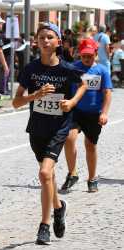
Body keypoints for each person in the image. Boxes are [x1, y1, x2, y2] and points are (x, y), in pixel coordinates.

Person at [12, 22, 87, 245]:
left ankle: (44, 226)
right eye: (41, 37)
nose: (45, 41)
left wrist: (71, 102)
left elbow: (82, 85)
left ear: (58, 42)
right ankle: (58, 207)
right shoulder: (30, 70)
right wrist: (35, 95)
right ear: (36, 41)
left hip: (59, 128)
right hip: (36, 129)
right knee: (49, 177)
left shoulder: (67, 69)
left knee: (45, 174)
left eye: (50, 37)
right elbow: (16, 102)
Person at [61, 38, 112, 193]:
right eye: (84, 56)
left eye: (90, 55)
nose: (87, 59)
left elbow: (107, 93)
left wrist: (104, 113)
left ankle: (92, 178)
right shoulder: (74, 68)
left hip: (93, 114)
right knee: (68, 139)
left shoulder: (102, 70)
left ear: (96, 54)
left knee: (90, 146)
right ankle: (73, 173)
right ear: (79, 55)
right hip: (75, 112)